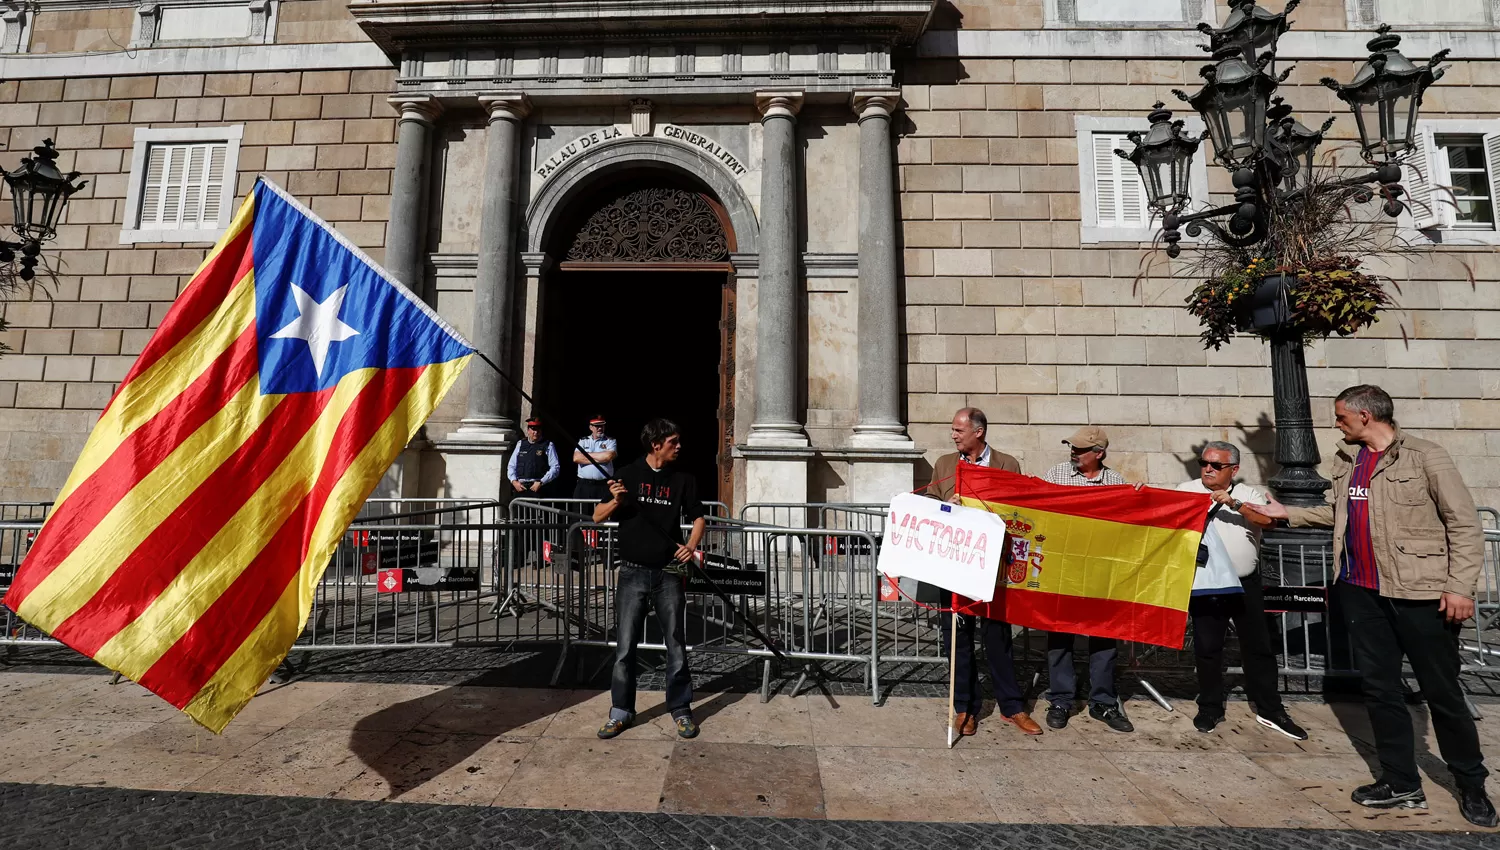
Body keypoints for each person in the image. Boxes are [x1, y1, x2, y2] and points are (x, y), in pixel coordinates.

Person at [1249, 385, 1495, 826]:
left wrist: (1459, 587)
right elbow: (1339, 512)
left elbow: (1463, 523)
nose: (1336, 423)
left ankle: (1471, 783)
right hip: (1361, 591)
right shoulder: (1348, 460)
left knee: (1442, 694)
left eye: (1342, 416)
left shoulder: (1424, 456)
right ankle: (1401, 781)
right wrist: (1287, 513)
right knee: (1380, 691)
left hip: (1421, 594)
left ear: (1365, 415)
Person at [1176, 441, 1307, 740]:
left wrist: (1233, 504)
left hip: (1245, 582)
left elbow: (1269, 522)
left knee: (1259, 647)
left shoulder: (1248, 493)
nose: (1208, 469)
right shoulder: (1185, 489)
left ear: (1233, 469)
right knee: (1208, 648)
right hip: (1207, 584)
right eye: (1204, 462)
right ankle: (1209, 706)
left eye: (1216, 465)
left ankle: (1270, 709)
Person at [927, 408, 1043, 737]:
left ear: (978, 432)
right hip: (953, 568)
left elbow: (1019, 509)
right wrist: (951, 507)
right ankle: (965, 707)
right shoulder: (944, 464)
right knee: (958, 639)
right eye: (952, 430)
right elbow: (932, 505)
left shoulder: (1007, 464)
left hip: (993, 569)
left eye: (958, 430)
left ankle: (1012, 706)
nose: (953, 435)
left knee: (998, 638)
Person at [594, 418, 707, 741]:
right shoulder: (627, 475)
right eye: (674, 441)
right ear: (656, 444)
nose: (679, 446)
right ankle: (620, 712)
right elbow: (597, 517)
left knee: (676, 644)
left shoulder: (684, 479)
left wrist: (691, 546)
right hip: (631, 571)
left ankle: (681, 709)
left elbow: (698, 516)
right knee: (625, 647)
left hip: (669, 572)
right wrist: (616, 500)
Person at [1040, 426, 1133, 733]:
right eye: (1072, 448)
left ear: (1099, 454)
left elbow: (1127, 524)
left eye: (1080, 450)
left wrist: (1142, 500)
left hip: (1101, 571)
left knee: (1104, 637)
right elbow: (1036, 507)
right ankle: (1061, 700)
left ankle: (1103, 702)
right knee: (1060, 636)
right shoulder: (1056, 475)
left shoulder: (1117, 481)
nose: (1073, 453)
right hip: (1064, 568)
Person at [508, 417, 559, 495]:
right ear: (528, 430)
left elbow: (555, 467)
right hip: (520, 487)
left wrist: (541, 482)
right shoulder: (521, 444)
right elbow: (511, 465)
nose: (536, 432)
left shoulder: (548, 445)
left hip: (538, 488)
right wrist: (514, 481)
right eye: (533, 429)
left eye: (538, 430)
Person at [573, 415, 617, 502]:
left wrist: (586, 455)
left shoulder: (610, 441)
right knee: (581, 514)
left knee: (603, 513)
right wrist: (601, 457)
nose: (600, 428)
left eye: (602, 425)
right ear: (591, 427)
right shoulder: (583, 441)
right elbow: (576, 458)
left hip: (603, 485)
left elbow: (608, 457)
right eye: (597, 426)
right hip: (584, 485)